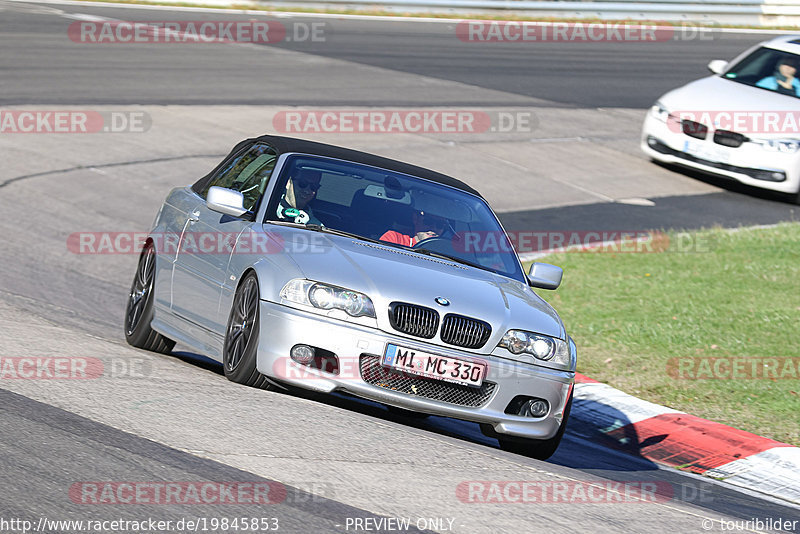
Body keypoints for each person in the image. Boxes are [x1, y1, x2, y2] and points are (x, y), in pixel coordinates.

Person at [380, 210, 446, 247]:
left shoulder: (447, 252)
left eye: (439, 225)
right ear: (416, 219)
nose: (433, 228)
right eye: (428, 221)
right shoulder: (395, 238)